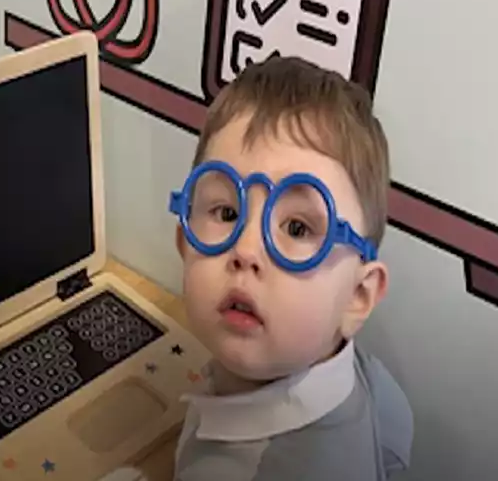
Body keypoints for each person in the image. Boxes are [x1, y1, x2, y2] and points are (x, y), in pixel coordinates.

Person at [168, 56, 413, 480]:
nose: (246, 250)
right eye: (227, 212)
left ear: (358, 297)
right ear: (183, 242)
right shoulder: (372, 382)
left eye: (297, 228)